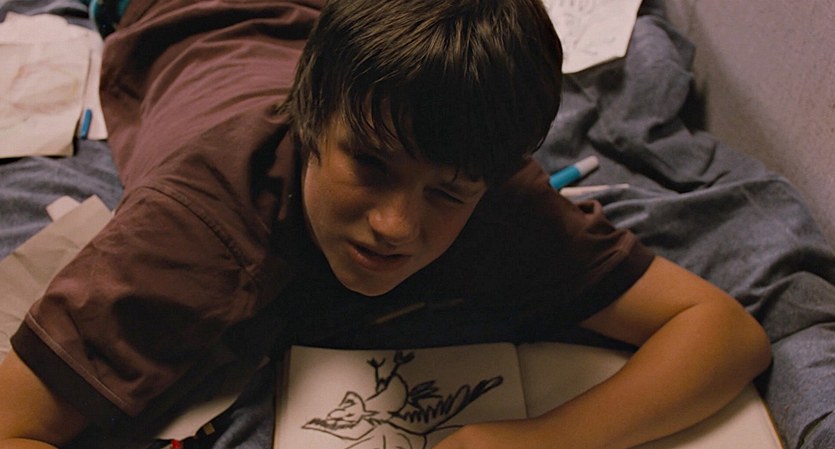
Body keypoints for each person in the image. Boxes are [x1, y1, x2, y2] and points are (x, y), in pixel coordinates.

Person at [0, 0, 771, 448]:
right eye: (368, 165)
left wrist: (541, 438)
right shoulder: (201, 228)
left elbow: (724, 332)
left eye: (447, 193)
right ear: (309, 119)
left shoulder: (498, 202)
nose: (395, 225)